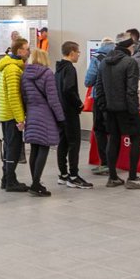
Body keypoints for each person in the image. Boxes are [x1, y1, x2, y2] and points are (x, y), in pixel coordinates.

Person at [98, 36, 140, 189]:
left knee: (113, 139)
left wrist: (103, 107)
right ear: (130, 47)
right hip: (126, 109)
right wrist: (133, 110)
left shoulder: (104, 62)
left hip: (110, 109)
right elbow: (131, 90)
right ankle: (132, 177)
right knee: (135, 139)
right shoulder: (130, 62)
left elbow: (99, 88)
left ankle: (112, 177)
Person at [20, 48, 65, 196]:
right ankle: (35, 184)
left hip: (32, 113)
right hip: (45, 114)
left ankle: (36, 182)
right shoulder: (47, 74)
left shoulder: (25, 74)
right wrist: (60, 118)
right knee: (44, 148)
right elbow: (53, 99)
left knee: (34, 148)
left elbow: (24, 97)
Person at [55, 42, 92, 189]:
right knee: (74, 144)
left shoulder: (58, 68)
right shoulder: (70, 69)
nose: (79, 54)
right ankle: (74, 176)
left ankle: (63, 175)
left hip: (60, 112)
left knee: (62, 143)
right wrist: (79, 104)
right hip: (69, 112)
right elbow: (69, 89)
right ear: (71, 52)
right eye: (78, 52)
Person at [0, 37, 29, 193]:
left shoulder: (9, 65)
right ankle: (10, 181)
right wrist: (20, 118)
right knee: (13, 149)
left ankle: (7, 179)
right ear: (19, 50)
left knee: (10, 147)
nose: (28, 51)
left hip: (6, 113)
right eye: (26, 48)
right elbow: (14, 96)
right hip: (11, 115)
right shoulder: (13, 69)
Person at [85, 37, 115, 176]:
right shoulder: (120, 56)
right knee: (114, 131)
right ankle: (113, 162)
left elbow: (88, 80)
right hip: (116, 99)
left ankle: (105, 163)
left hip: (100, 98)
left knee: (100, 130)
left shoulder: (97, 57)